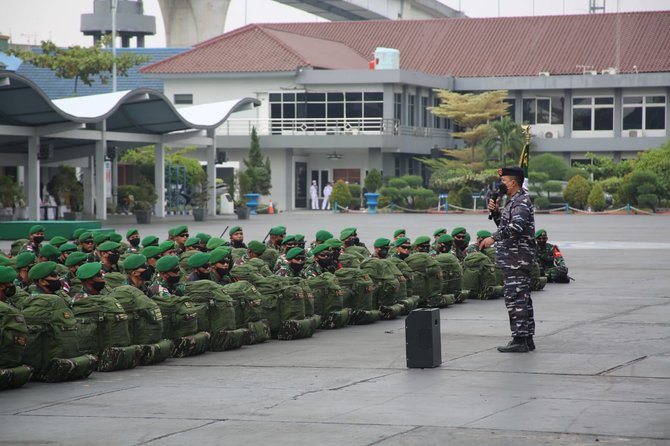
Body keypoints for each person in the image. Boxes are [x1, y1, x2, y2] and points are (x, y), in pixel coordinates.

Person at [480, 166, 536, 353]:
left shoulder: (520, 202)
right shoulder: (513, 202)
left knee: (516, 299)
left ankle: (520, 339)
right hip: (514, 257)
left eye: (504, 181)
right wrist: (496, 214)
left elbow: (516, 228)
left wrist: (492, 238)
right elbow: (507, 225)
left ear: (513, 182)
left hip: (516, 258)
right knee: (522, 298)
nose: (501, 185)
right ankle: (526, 338)